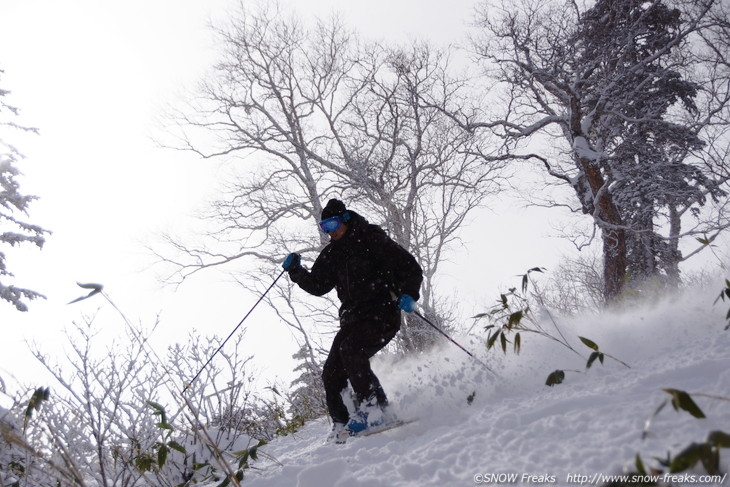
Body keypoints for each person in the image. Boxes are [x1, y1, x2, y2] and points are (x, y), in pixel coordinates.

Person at [282, 198, 423, 442]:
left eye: (334, 223)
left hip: (382, 312)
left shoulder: (371, 239)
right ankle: (343, 422)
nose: (331, 231)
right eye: (324, 227)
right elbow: (318, 285)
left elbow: (408, 265)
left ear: (345, 219)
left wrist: (410, 293)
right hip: (353, 319)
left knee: (352, 349)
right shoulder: (332, 254)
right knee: (331, 372)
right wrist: (296, 271)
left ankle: (374, 410)